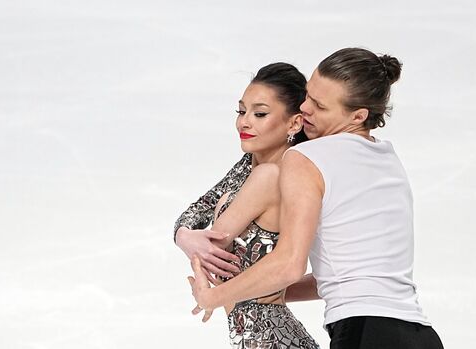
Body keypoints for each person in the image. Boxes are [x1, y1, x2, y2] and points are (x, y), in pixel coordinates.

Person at [188, 48, 444, 349]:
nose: (304, 109)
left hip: (365, 334)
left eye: (320, 106)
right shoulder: (388, 159)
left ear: (358, 115)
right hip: (421, 336)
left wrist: (213, 297)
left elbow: (289, 264)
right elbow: (349, 276)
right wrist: (270, 292)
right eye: (308, 95)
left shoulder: (306, 157)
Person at [176, 62, 320, 348]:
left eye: (260, 113)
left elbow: (213, 248)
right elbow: (197, 211)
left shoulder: (270, 175)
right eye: (241, 111)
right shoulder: (248, 167)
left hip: (268, 337)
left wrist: (195, 248)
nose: (245, 122)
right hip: (264, 333)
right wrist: (183, 234)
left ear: (294, 123)